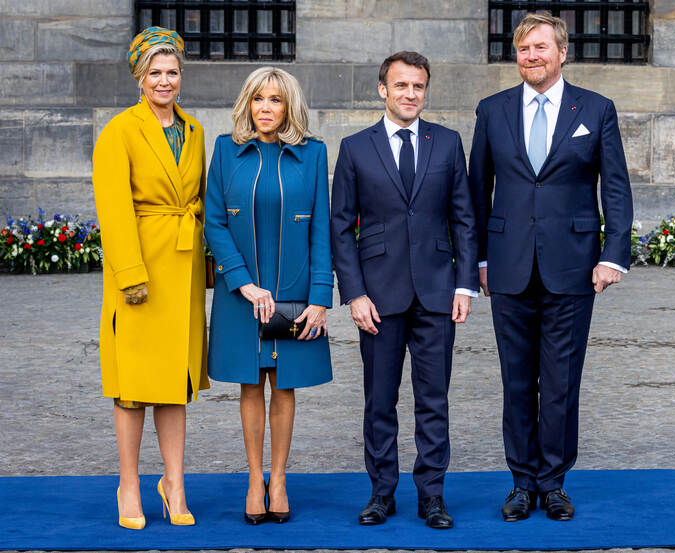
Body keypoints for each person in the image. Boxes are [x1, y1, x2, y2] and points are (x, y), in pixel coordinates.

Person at [468, 12, 633, 522]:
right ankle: (521, 483)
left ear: (562, 53)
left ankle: (555, 483)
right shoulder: (492, 111)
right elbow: (478, 191)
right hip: (509, 267)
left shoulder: (596, 109)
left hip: (574, 267)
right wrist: (478, 258)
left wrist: (613, 255)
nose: (532, 57)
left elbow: (617, 187)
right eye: (523, 49)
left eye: (541, 47)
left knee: (561, 380)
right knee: (516, 380)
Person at [331, 51, 478, 530]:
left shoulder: (449, 143)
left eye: (418, 86)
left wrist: (464, 285)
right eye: (401, 86)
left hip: (438, 291)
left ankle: (432, 495)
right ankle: (381, 493)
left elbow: (463, 217)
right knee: (380, 399)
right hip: (378, 294)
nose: (410, 94)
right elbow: (340, 228)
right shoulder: (355, 148)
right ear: (383, 90)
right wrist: (354, 294)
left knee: (433, 398)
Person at [204, 67, 333, 525]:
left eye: (275, 100)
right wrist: (243, 282)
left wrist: (320, 296)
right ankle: (253, 478)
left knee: (286, 384)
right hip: (243, 293)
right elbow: (214, 221)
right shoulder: (224, 150)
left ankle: (278, 479)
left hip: (296, 291)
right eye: (258, 99)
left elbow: (322, 228)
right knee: (250, 382)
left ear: (289, 106)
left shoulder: (313, 155)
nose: (265, 108)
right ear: (247, 104)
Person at [92, 26, 208, 530]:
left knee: (174, 383)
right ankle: (130, 483)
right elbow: (113, 209)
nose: (165, 80)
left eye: (172, 72)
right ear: (140, 78)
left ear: (182, 76)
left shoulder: (196, 130)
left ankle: (175, 482)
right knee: (133, 385)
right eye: (155, 72)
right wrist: (130, 275)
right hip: (140, 268)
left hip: (181, 268)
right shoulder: (119, 131)